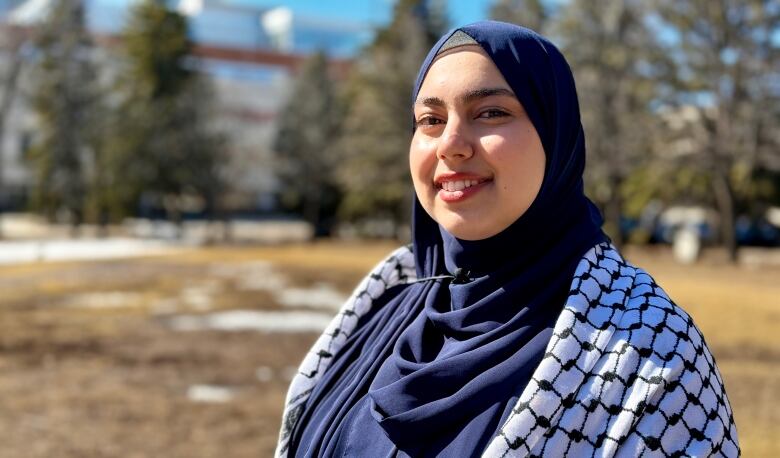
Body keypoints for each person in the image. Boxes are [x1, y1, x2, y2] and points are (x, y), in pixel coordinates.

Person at [275, 21, 739, 457]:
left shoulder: (652, 352)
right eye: (430, 120)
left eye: (491, 112)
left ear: (555, 137)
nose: (451, 143)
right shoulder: (387, 302)